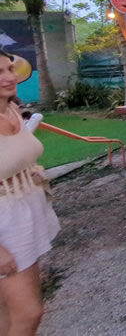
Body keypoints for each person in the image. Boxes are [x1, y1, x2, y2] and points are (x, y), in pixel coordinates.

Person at [0, 50, 59, 336]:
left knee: (6, 310)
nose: (10, 77)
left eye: (9, 69)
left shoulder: (11, 109)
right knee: (29, 313)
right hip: (3, 224)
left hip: (24, 211)